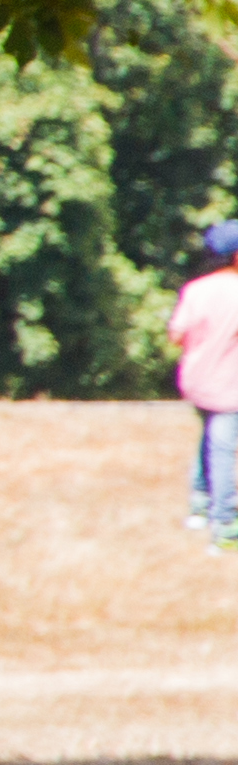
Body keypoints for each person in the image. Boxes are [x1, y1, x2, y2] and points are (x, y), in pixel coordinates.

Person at [174, 221, 238, 543]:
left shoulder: (195, 289)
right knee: (224, 448)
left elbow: (177, 335)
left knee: (209, 438)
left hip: (197, 381)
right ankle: (225, 525)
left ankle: (199, 506)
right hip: (229, 386)